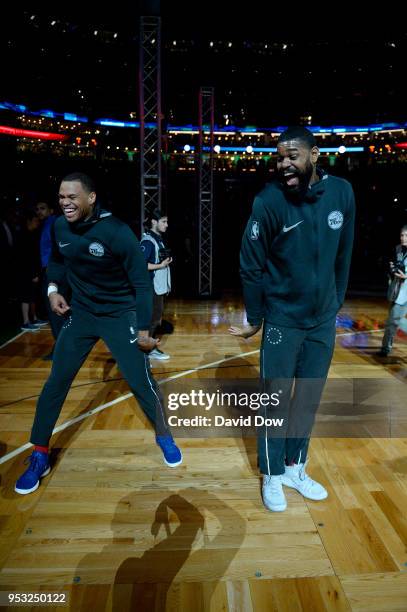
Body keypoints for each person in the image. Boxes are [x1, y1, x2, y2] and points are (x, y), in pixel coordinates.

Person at [15, 172, 182, 495]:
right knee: (55, 383)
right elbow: (59, 262)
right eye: (61, 197)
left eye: (72, 197)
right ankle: (39, 454)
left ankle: (163, 434)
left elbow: (141, 284)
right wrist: (52, 290)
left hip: (120, 316)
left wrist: (145, 330)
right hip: (82, 315)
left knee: (140, 381)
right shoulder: (60, 226)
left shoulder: (117, 233)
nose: (65, 203)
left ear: (91, 198)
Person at [229, 126, 355, 512]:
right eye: (279, 156)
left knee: (309, 399)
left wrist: (335, 304)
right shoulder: (268, 201)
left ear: (314, 155)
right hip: (283, 319)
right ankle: (271, 474)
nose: (284, 163)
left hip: (321, 320)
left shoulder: (342, 193)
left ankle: (295, 467)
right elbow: (250, 265)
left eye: (292, 155)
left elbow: (344, 254)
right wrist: (256, 316)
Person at [36, 201, 69, 359]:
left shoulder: (54, 224)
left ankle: (61, 349)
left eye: (43, 208)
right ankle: (62, 346)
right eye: (37, 209)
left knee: (55, 310)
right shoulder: (47, 224)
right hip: (51, 270)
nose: (39, 212)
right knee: (56, 311)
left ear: (50, 210)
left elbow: (58, 249)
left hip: (54, 272)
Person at [140, 210, 172, 361]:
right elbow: (141, 265)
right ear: (154, 222)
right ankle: (147, 349)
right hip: (151, 287)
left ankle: (148, 347)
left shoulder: (158, 239)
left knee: (155, 319)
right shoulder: (148, 241)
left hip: (158, 287)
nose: (167, 225)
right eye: (164, 221)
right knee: (151, 320)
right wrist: (160, 265)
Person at [377, 225, 407, 356]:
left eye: (406, 235)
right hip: (397, 290)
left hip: (405, 290)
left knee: (393, 321)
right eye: (401, 235)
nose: (403, 238)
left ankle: (385, 348)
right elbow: (395, 265)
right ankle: (386, 347)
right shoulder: (398, 249)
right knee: (392, 320)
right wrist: (392, 268)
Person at [15, 210, 47, 332]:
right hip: (25, 273)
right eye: (35, 220)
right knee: (25, 297)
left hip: (31, 272)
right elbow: (24, 259)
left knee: (32, 296)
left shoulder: (31, 234)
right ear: (29, 221)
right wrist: (32, 274)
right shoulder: (23, 236)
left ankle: (33, 319)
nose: (37, 222)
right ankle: (25, 322)